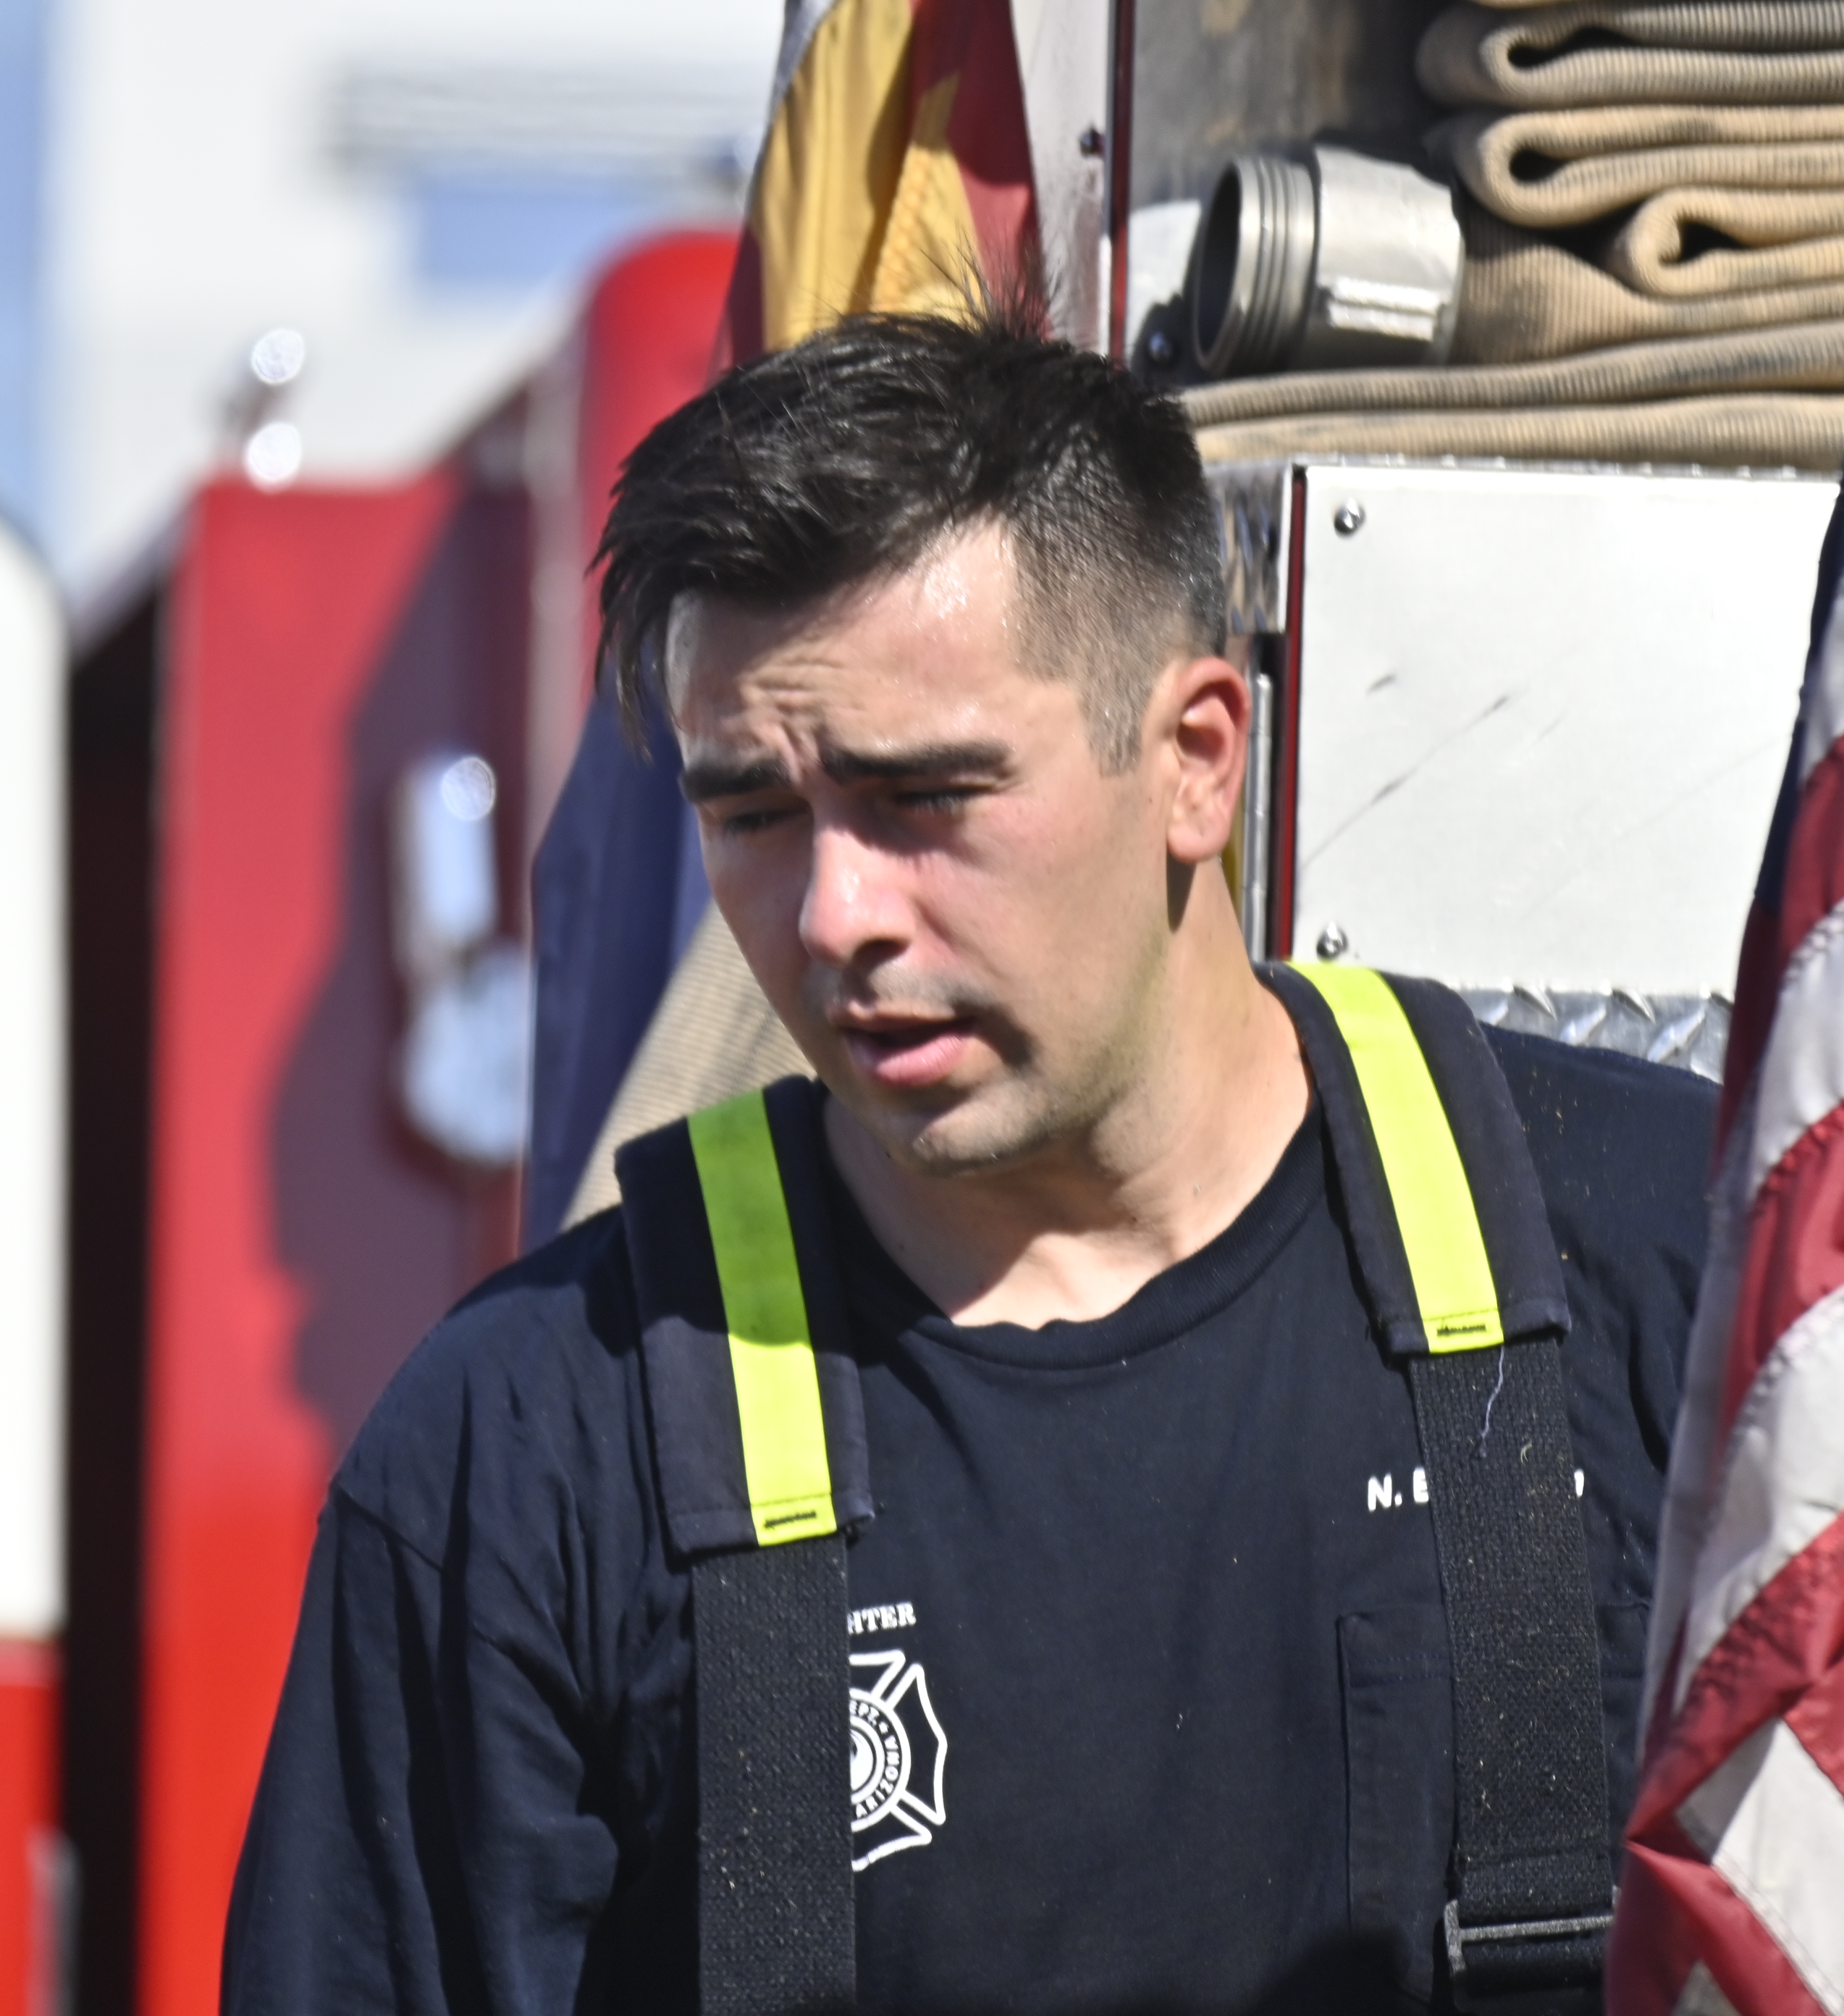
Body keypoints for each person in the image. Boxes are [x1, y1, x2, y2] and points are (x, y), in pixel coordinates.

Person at [222, 306, 1714, 2016]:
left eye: (924, 796)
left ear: (1195, 762)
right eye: (752, 812)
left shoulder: (1674, 1269)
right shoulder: (531, 1450)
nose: (833, 916)